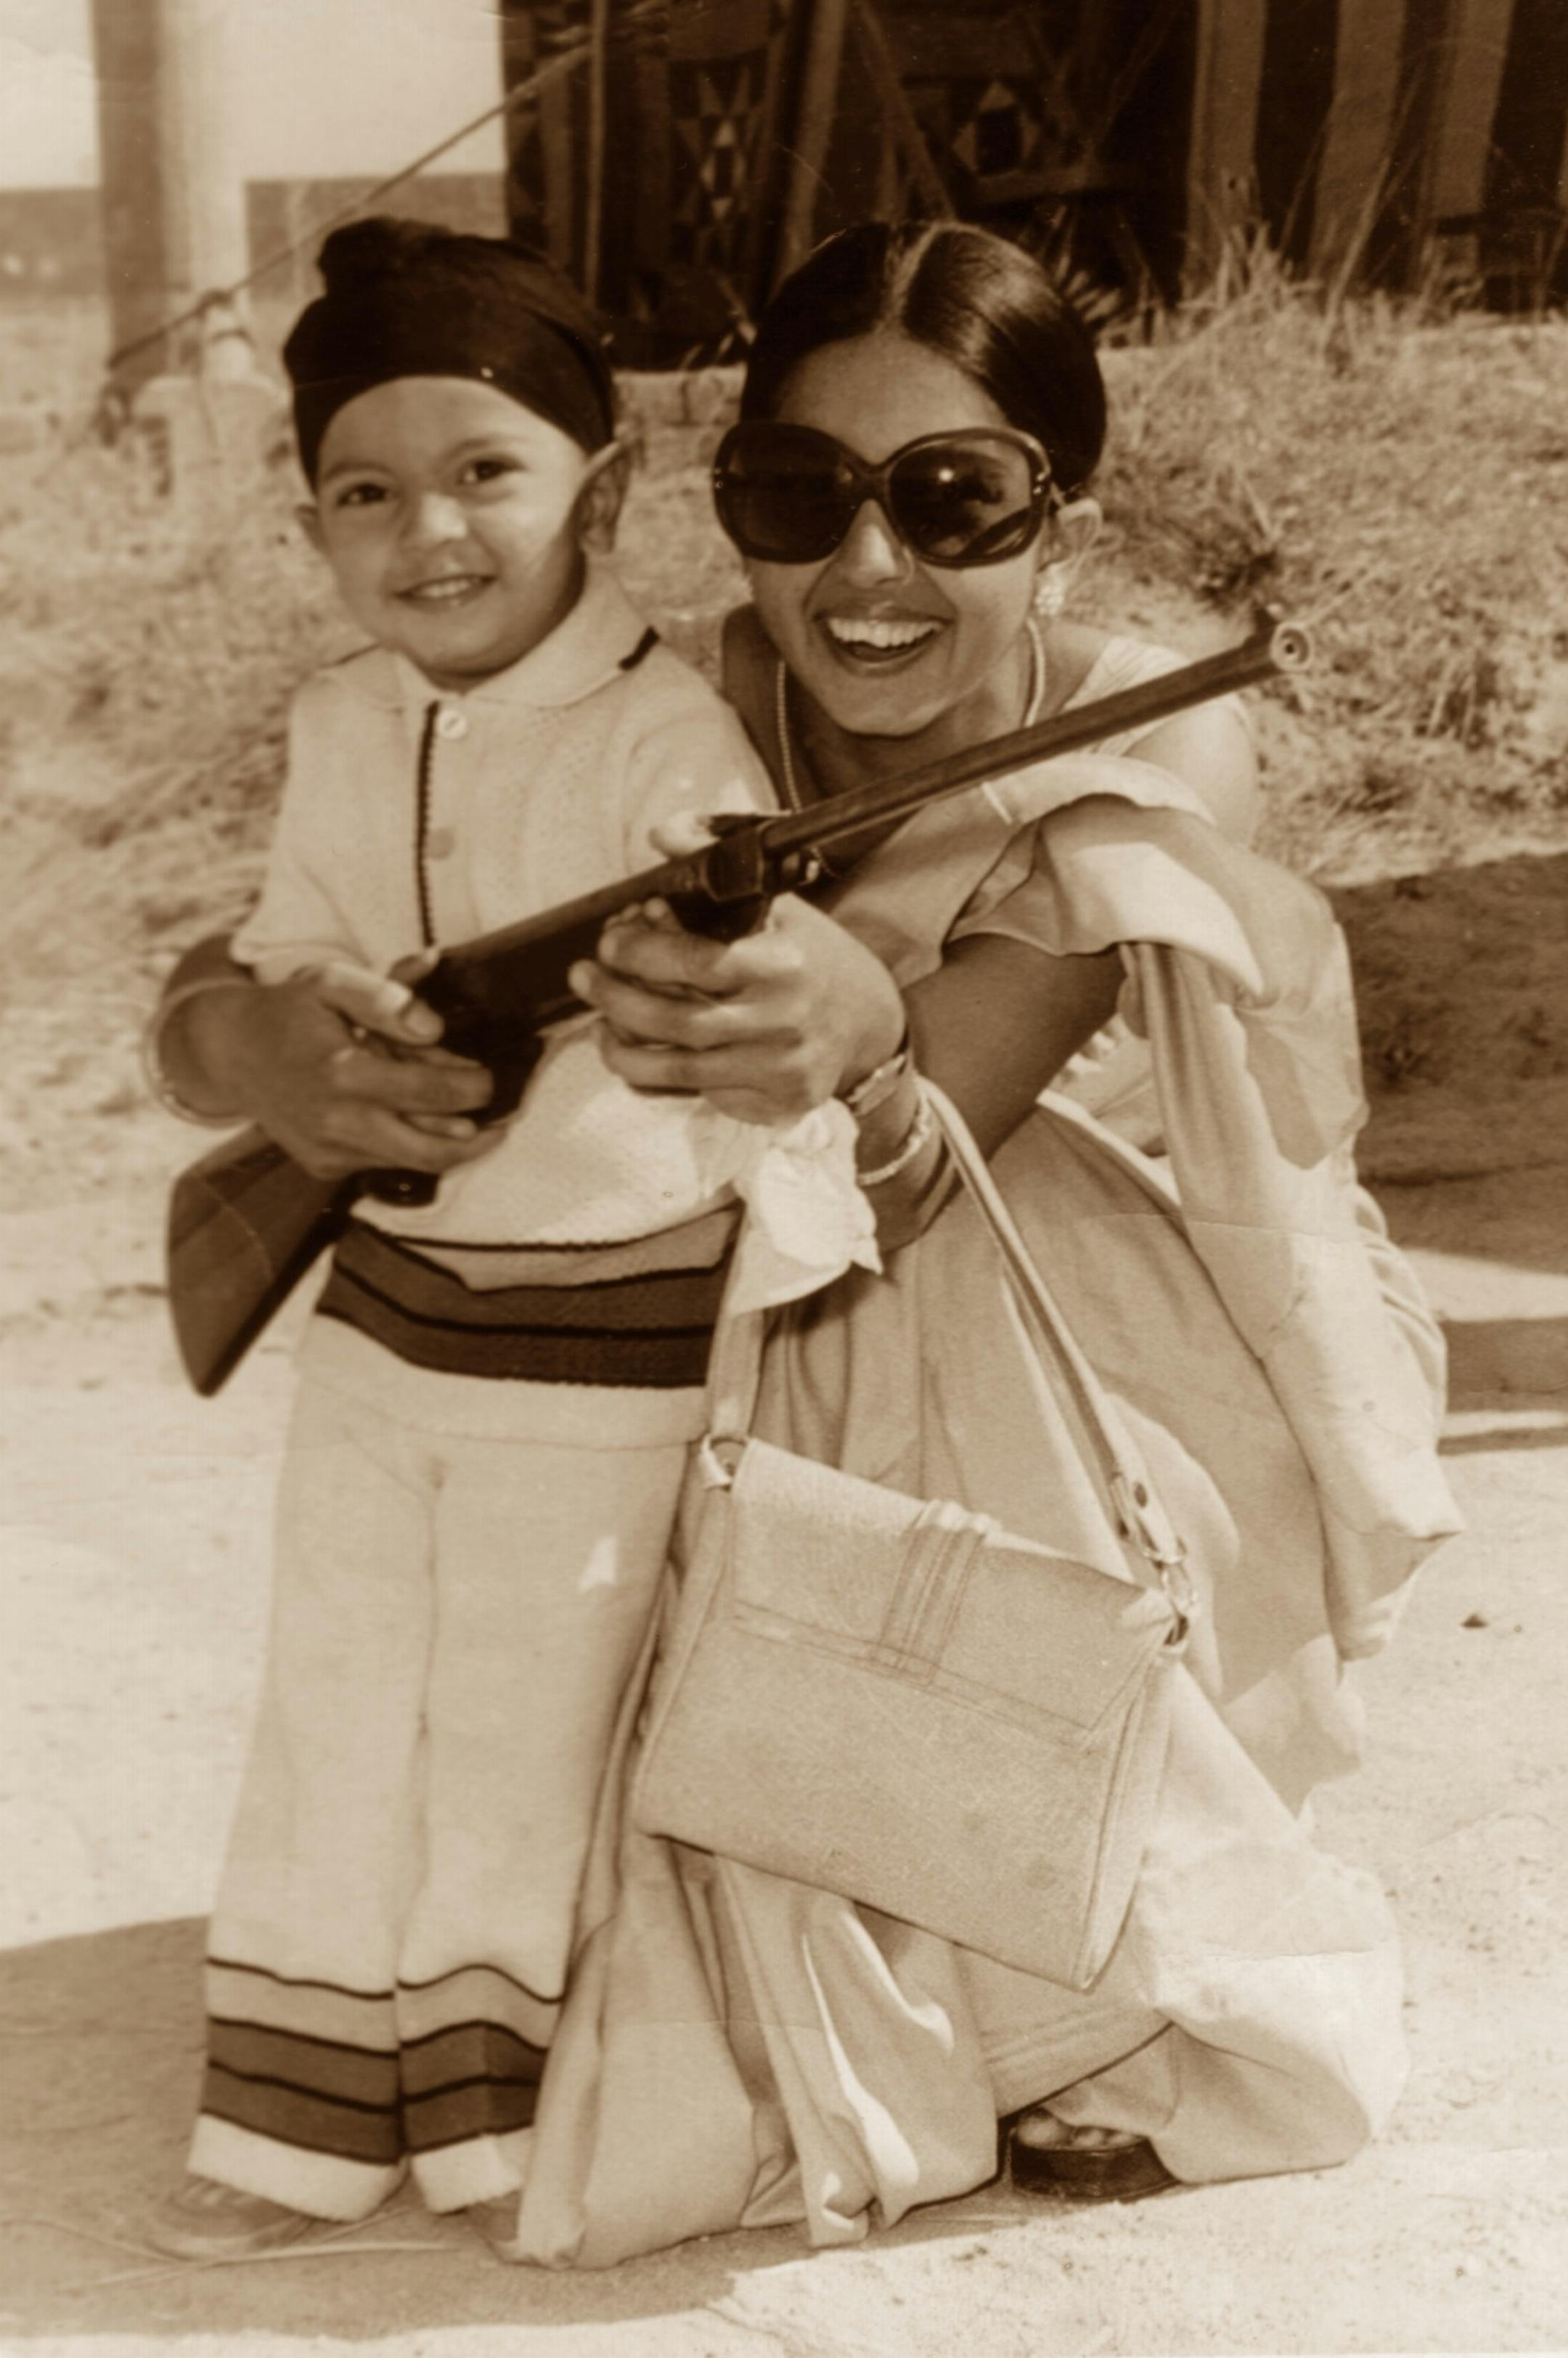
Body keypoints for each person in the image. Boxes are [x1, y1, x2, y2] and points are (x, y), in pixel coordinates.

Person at [149, 221, 1459, 2266]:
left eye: (951, 501)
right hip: (707, 1303)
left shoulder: (1147, 735)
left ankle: (1084, 1990)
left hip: (1093, 1339)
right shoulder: (675, 695)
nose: (866, 574)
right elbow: (299, 916)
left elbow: (940, 1149)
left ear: (1058, 510)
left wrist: (847, 1045)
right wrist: (256, 1051)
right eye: (796, 498)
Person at [142, 215, 879, 2263]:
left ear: (605, 491)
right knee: (339, 1704)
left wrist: (677, 999)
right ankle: (288, 2127)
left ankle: (487, 2130)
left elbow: (725, 1029)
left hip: (601, 1357)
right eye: (363, 494)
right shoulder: (335, 728)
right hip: (379, 1326)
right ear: (311, 526)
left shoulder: (671, 756)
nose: (429, 535)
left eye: (487, 472)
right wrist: (300, 1048)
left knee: (519, 1740)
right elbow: (279, 961)